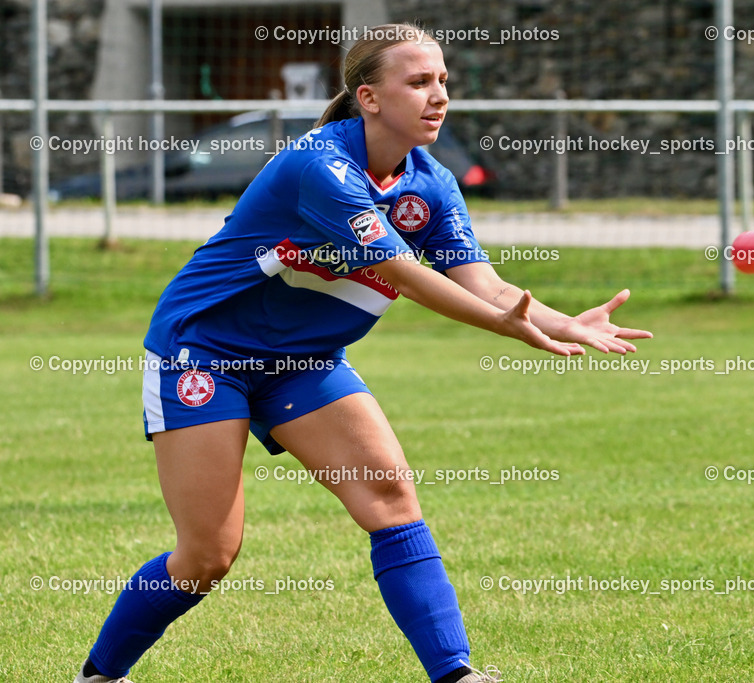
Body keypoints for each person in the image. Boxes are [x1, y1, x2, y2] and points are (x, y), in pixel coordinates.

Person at [74, 23, 651, 683]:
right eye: (418, 82)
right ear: (369, 97)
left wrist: (564, 321)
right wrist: (507, 326)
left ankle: (456, 674)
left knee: (391, 497)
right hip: (202, 356)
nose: (438, 96)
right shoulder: (320, 165)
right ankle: (98, 676)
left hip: (305, 362)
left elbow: (486, 284)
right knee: (207, 555)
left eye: (442, 81)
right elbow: (405, 274)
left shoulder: (430, 183)